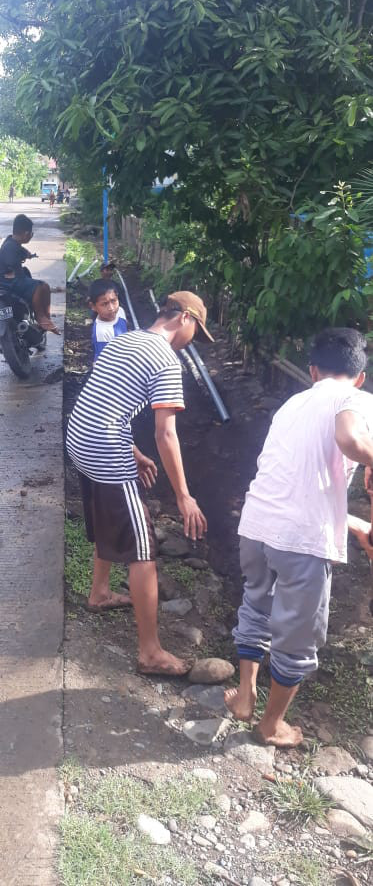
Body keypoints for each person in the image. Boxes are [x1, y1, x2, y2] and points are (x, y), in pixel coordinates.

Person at [225, 327, 373, 746]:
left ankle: (244, 697)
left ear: (312, 371)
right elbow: (350, 439)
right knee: (297, 637)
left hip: (257, 526)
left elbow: (300, 487)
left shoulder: (293, 404)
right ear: (360, 377)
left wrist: (356, 525)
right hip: (302, 543)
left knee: (256, 604)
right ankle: (271, 725)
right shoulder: (356, 399)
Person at [66, 291, 213, 676]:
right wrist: (184, 496)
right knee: (143, 548)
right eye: (196, 331)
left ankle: (99, 592)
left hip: (80, 437)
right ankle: (150, 653)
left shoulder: (127, 338)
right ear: (184, 318)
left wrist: (133, 450)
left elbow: (105, 402)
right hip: (103, 447)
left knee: (108, 512)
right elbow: (166, 434)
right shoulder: (166, 359)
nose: (193, 341)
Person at [0, 213, 60, 334]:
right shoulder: (11, 247)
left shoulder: (11, 242)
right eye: (31, 234)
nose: (31, 236)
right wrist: (13, 272)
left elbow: (22, 252)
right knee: (40, 287)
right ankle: (40, 317)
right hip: (7, 281)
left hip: (7, 279)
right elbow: (13, 267)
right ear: (26, 234)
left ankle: (47, 318)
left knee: (45, 286)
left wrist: (27, 254)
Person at [88, 278, 127, 363]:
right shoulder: (102, 333)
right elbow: (105, 362)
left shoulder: (120, 311)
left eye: (113, 301)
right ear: (93, 306)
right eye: (104, 304)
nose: (111, 308)